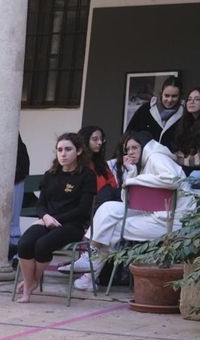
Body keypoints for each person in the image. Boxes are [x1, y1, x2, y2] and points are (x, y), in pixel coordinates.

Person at [75, 132, 194, 292]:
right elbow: (129, 200)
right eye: (127, 149)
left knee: (113, 228)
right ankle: (91, 256)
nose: (130, 152)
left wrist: (133, 180)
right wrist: (131, 172)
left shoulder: (156, 157)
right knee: (107, 208)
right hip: (156, 213)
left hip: (173, 221)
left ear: (144, 147)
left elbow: (172, 179)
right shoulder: (143, 163)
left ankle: (89, 273)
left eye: (134, 147)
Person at [15, 133, 95, 304]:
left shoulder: (87, 176)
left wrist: (53, 219)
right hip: (47, 220)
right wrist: (45, 217)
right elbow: (41, 204)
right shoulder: (50, 174)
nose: (63, 154)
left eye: (68, 149)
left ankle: (30, 284)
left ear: (79, 151)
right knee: (24, 244)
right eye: (59, 150)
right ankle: (31, 283)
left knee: (42, 245)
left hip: (72, 225)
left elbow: (82, 209)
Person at [127, 76, 184, 146]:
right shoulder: (145, 110)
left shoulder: (186, 114)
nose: (169, 100)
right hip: (145, 156)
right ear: (161, 94)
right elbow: (129, 135)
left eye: (174, 96)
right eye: (166, 95)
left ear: (180, 96)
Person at [80, 125, 119, 206]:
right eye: (95, 139)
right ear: (85, 140)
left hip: (104, 202)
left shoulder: (101, 163)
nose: (100, 142)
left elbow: (113, 184)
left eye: (101, 139)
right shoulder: (77, 163)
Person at [163, 87, 200, 172]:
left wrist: (178, 160)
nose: (191, 102)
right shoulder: (184, 123)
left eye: (197, 99)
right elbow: (177, 149)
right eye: (189, 99)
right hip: (184, 171)